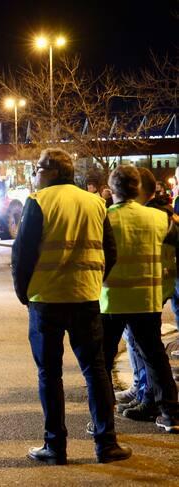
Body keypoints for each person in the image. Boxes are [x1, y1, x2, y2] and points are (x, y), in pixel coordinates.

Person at [12, 148, 130, 465]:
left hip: (46, 302)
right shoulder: (95, 203)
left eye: (36, 169)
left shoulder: (38, 202)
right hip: (86, 300)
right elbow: (110, 252)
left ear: (49, 171)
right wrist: (92, 281)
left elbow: (22, 255)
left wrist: (24, 294)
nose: (34, 174)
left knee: (49, 375)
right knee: (96, 372)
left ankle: (55, 447)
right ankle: (106, 445)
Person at [100, 165, 179, 433]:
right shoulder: (158, 218)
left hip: (111, 300)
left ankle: (103, 421)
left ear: (112, 191)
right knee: (155, 357)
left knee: (102, 360)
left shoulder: (104, 217)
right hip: (147, 299)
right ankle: (170, 414)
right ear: (139, 189)